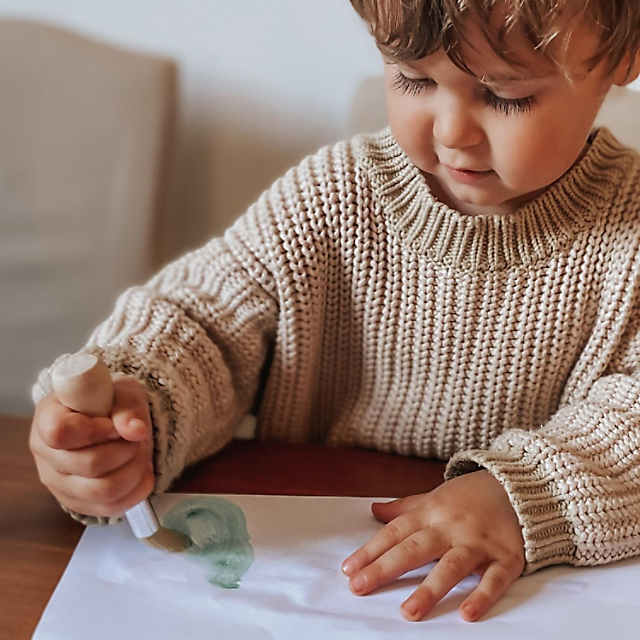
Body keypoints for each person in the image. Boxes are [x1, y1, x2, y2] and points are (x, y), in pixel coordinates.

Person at [29, 0, 640, 624]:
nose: (453, 131)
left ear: (622, 58)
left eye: (505, 96)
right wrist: (140, 409)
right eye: (413, 79)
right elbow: (206, 321)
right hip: (312, 585)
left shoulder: (631, 237)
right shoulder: (334, 198)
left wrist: (520, 499)